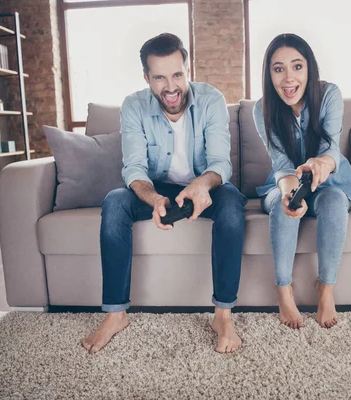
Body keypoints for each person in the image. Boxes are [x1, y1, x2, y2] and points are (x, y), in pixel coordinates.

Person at [82, 33, 247, 354]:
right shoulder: (133, 106)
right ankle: (116, 315)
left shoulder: (211, 100)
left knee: (231, 205)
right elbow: (134, 169)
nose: (170, 87)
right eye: (159, 77)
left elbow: (220, 164)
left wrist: (201, 184)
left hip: (205, 185)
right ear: (147, 78)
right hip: (157, 189)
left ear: (187, 70)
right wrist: (155, 199)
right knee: (114, 202)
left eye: (177, 75)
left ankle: (223, 316)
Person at [253, 33, 351, 330]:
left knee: (335, 200)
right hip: (285, 180)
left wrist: (322, 163)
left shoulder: (329, 95)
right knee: (281, 205)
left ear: (309, 68)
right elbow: (281, 162)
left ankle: (325, 288)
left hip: (329, 181)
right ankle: (284, 290)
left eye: (297, 67)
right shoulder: (261, 109)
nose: (289, 79)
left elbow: (331, 146)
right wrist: (289, 191)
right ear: (269, 74)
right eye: (278, 69)